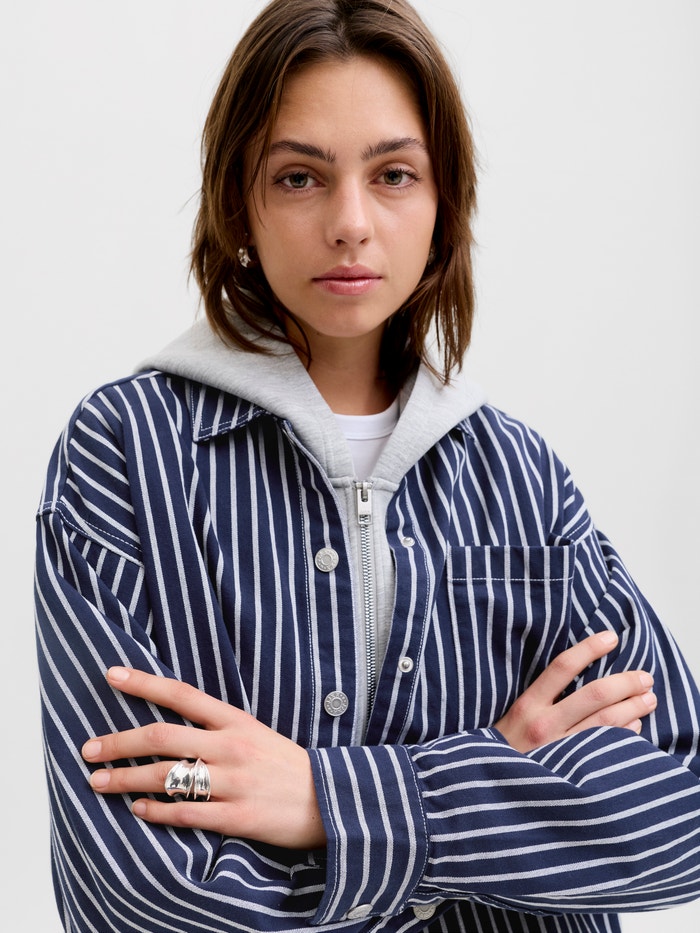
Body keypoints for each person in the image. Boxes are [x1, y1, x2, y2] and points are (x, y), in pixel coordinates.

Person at [34, 1, 700, 931]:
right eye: (299, 177)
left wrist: (320, 796)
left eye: (393, 174)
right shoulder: (124, 453)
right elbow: (150, 888)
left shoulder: (522, 476)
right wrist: (500, 772)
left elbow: (677, 814)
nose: (350, 223)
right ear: (239, 200)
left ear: (443, 200)